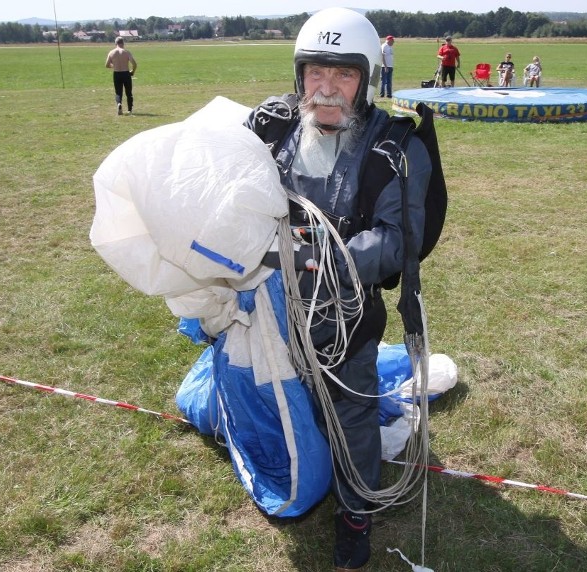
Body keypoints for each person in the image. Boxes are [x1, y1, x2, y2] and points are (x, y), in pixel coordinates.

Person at [244, 8, 432, 572]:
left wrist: (319, 257)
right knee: (285, 397)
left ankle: (355, 517)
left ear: (366, 78)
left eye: (343, 75)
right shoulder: (271, 129)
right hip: (272, 309)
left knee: (350, 415)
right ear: (299, 74)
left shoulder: (396, 148)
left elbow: (398, 240)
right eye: (315, 73)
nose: (326, 90)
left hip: (346, 316)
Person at [105, 37, 137, 115]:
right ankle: (129, 110)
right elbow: (134, 64)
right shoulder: (126, 52)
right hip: (126, 73)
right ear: (123, 43)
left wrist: (114, 65)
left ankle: (119, 103)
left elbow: (107, 65)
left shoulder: (111, 52)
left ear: (116, 43)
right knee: (129, 92)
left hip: (117, 73)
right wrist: (132, 71)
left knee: (118, 92)